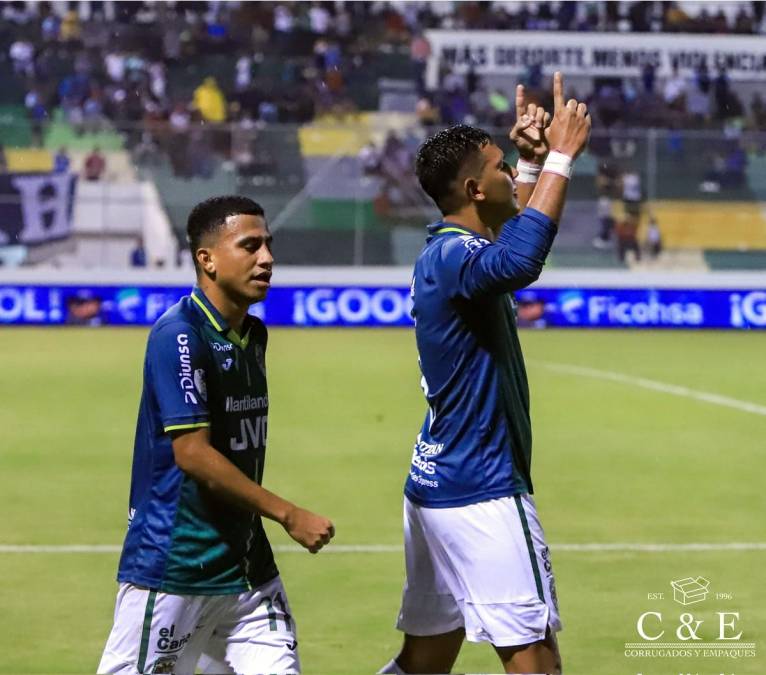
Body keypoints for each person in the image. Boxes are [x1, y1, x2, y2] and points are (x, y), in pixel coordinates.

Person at [379, 72, 590, 675]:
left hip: (437, 486)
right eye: (499, 168)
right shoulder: (454, 257)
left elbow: (504, 239)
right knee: (536, 664)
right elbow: (522, 257)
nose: (508, 175)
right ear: (473, 187)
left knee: (424, 663)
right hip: (483, 491)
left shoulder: (450, 251)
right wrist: (562, 157)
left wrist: (527, 163)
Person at [98, 196, 335, 674]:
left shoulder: (254, 335)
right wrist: (288, 513)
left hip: (248, 574)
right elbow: (193, 455)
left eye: (268, 245)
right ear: (206, 258)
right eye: (250, 246)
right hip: (177, 567)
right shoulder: (180, 335)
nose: (266, 258)